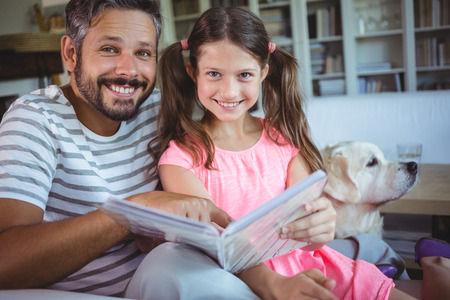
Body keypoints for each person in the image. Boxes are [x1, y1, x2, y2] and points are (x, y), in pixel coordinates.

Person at [0, 1, 340, 299]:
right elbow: (6, 262)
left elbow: (238, 146)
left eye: (143, 52)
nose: (128, 70)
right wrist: (135, 211)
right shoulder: (35, 119)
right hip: (133, 283)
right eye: (109, 49)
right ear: (71, 54)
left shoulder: (158, 109)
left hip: (182, 267)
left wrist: (319, 215)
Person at [149, 6, 416, 300]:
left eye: (244, 75)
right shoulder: (179, 159)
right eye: (214, 73)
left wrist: (323, 227)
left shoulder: (284, 141)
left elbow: (312, 236)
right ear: (192, 73)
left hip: (318, 271)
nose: (228, 91)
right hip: (243, 285)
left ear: (263, 73)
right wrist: (275, 285)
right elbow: (220, 247)